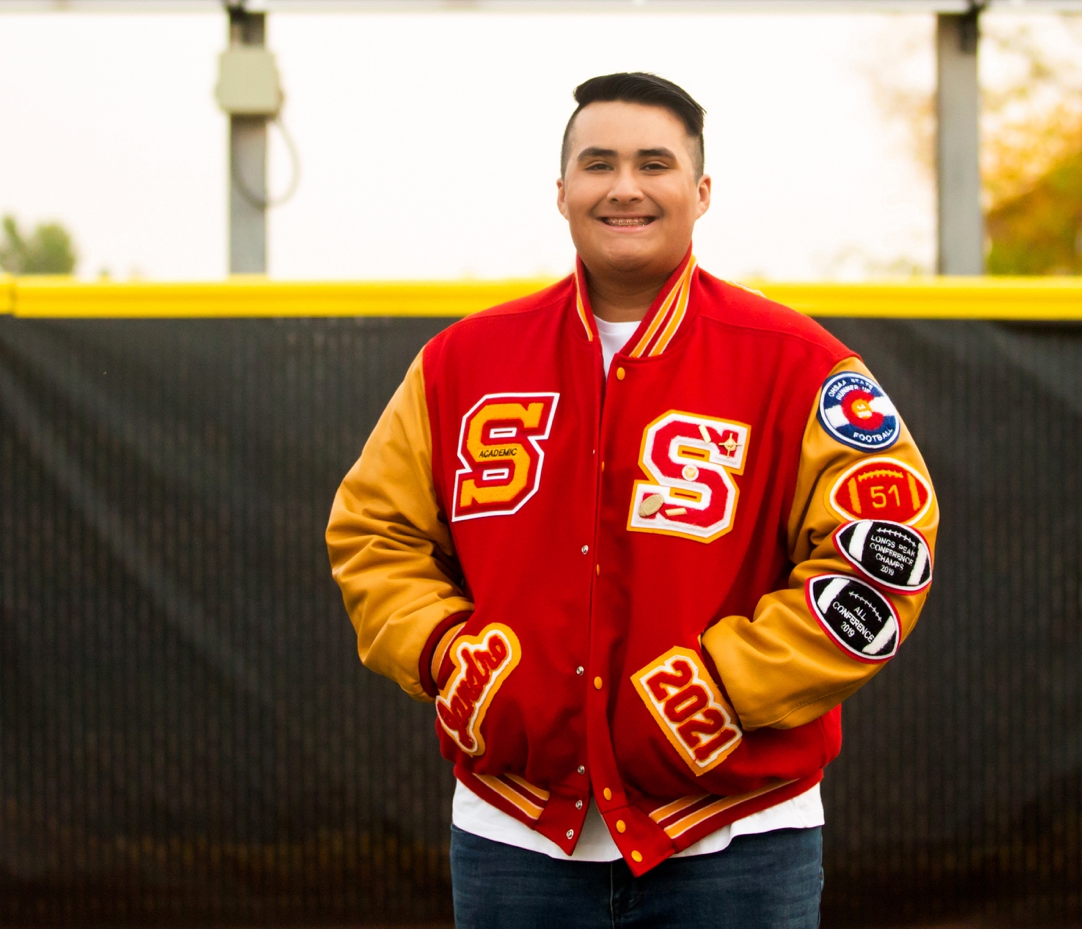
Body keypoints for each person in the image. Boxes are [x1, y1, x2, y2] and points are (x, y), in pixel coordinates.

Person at [327, 72, 938, 928]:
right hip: (514, 834)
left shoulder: (799, 362)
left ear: (701, 190)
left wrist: (725, 686)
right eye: (597, 163)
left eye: (654, 163)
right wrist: (443, 653)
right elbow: (372, 533)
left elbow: (880, 556)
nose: (624, 186)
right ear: (562, 191)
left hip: (739, 837)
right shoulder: (463, 360)